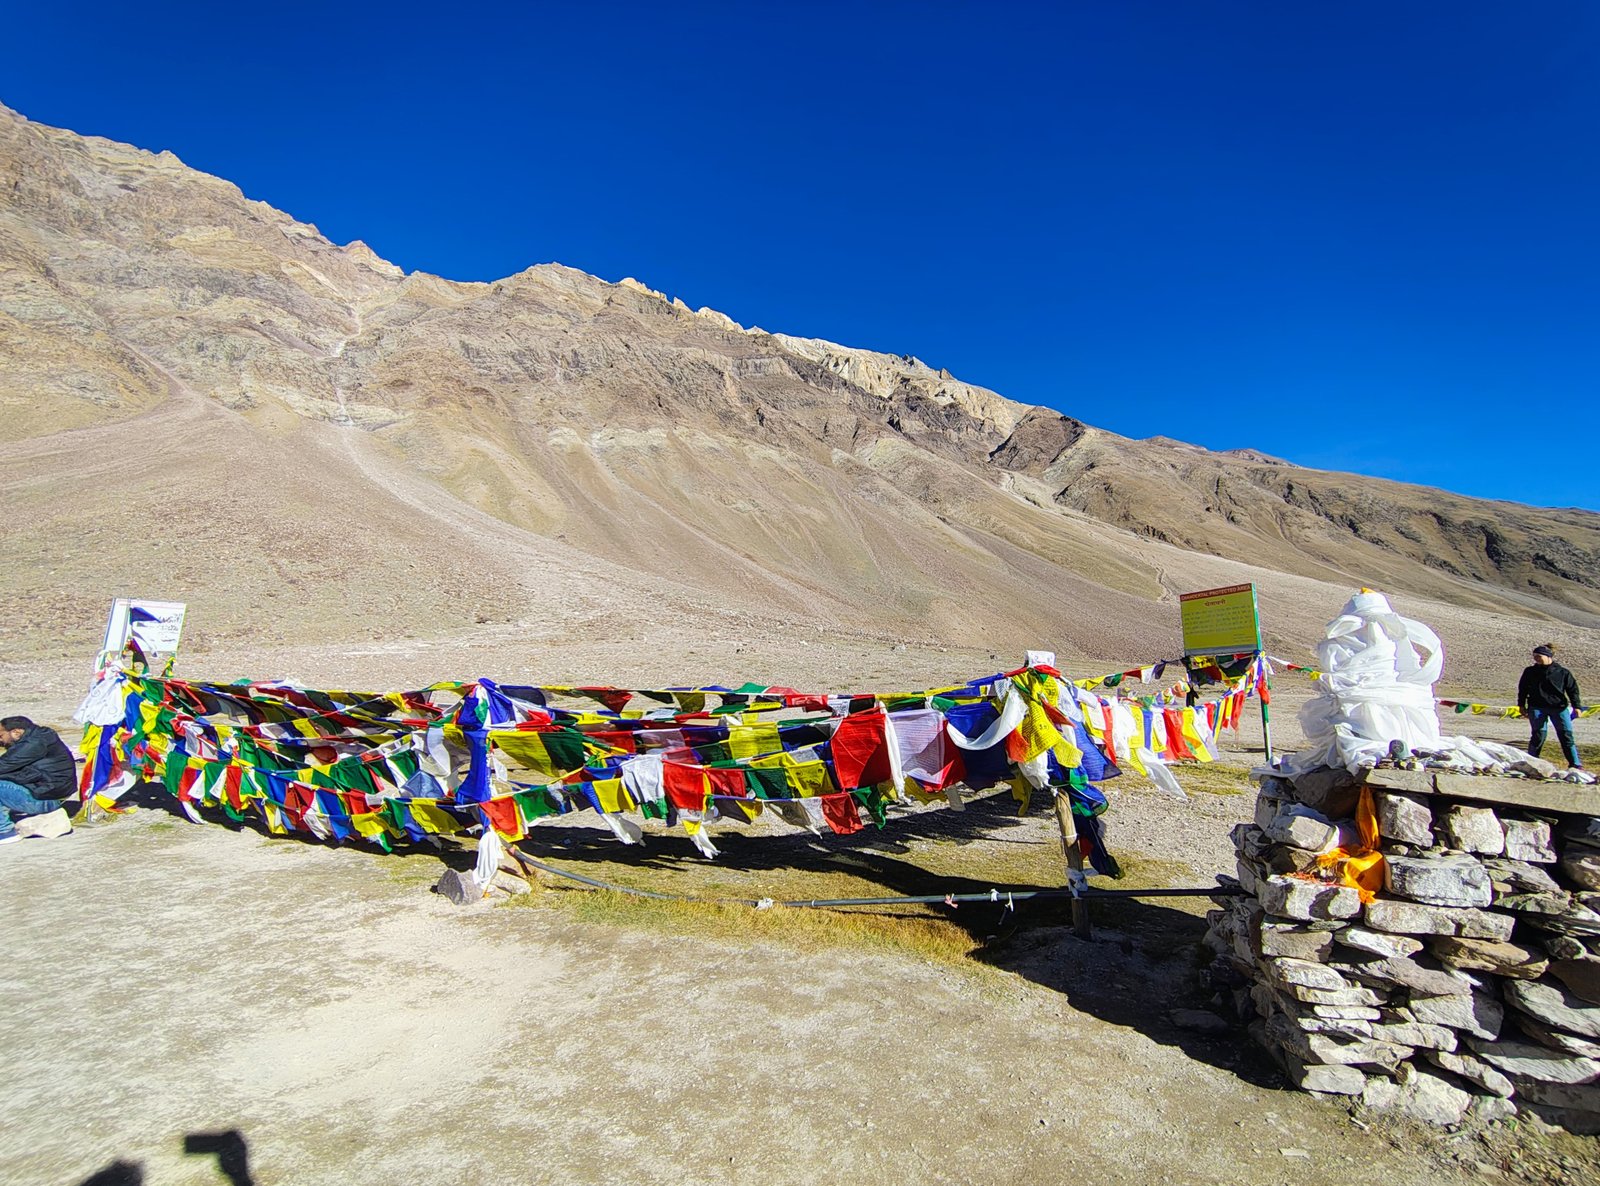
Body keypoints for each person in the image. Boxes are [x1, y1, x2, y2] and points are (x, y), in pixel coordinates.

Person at [0, 715, 78, 843]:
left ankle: (5, 831)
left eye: (1, 735)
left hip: (47, 799)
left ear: (16, 732)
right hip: (53, 794)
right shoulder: (39, 738)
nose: (1, 740)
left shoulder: (33, 744)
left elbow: (4, 766)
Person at [1517, 644, 1585, 769]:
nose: (1536, 658)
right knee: (1538, 735)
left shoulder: (1562, 672)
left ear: (1548, 656)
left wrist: (1577, 706)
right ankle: (1531, 761)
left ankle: (1575, 764)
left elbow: (1572, 690)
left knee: (1566, 736)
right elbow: (1523, 689)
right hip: (1536, 707)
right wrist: (1521, 705)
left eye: (1539, 656)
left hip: (1559, 708)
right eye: (1534, 656)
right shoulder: (1530, 671)